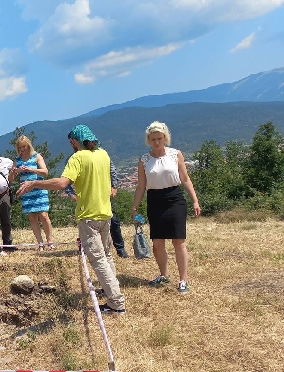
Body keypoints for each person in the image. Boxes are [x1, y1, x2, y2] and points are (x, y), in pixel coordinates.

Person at [18, 125, 125, 314]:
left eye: (71, 142)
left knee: (98, 259)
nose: (71, 145)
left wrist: (34, 183)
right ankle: (109, 290)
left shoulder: (78, 158)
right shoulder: (103, 154)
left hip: (88, 216)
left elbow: (62, 183)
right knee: (106, 255)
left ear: (76, 141)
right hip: (106, 213)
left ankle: (116, 302)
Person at [132, 121, 201, 294]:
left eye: (160, 138)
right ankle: (164, 275)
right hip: (154, 200)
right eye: (153, 139)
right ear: (149, 139)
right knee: (157, 243)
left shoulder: (175, 154)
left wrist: (195, 200)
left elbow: (185, 179)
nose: (157, 142)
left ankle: (183, 280)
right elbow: (141, 186)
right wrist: (135, 207)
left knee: (178, 241)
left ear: (165, 138)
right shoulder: (144, 160)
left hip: (175, 199)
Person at [64, 160, 128, 257]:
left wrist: (114, 186)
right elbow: (65, 179)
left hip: (103, 195)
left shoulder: (101, 154)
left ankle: (120, 249)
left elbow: (112, 170)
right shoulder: (73, 159)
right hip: (85, 197)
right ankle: (88, 248)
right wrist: (71, 193)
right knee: (87, 223)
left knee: (113, 220)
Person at [9, 135, 55, 250]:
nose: (22, 149)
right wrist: (15, 171)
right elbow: (10, 179)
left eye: (24, 146)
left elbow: (45, 172)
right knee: (32, 217)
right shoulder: (17, 160)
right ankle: (40, 243)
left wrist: (31, 169)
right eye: (20, 147)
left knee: (44, 215)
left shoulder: (36, 156)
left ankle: (50, 241)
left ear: (28, 145)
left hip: (39, 188)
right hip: (26, 191)